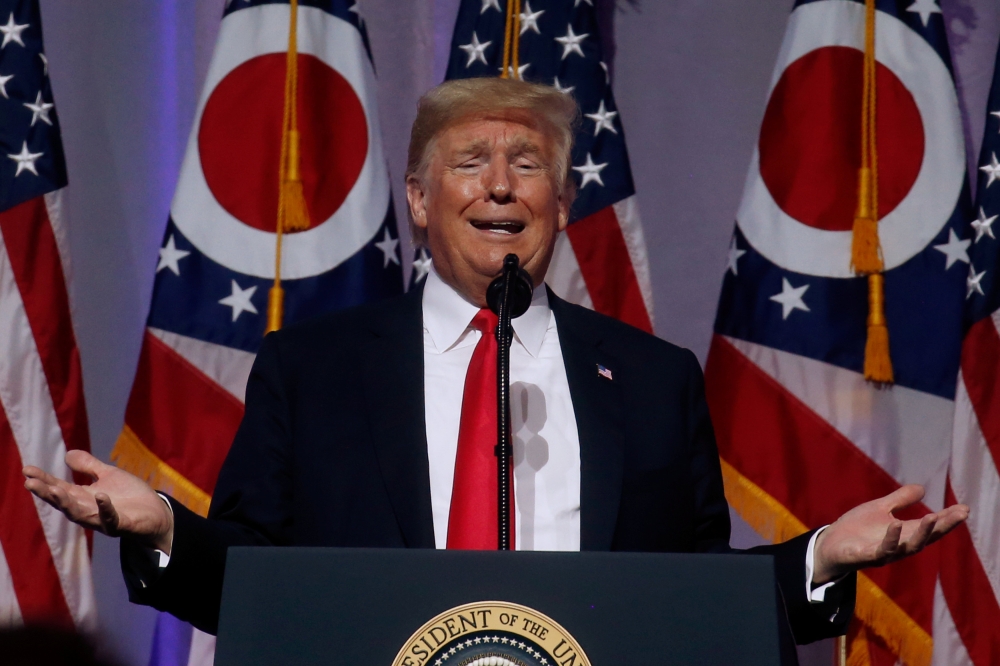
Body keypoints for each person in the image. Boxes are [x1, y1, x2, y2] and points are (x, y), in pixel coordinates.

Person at [24, 78, 968, 643]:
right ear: (420, 199)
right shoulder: (313, 370)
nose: (503, 185)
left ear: (559, 204)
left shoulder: (649, 378)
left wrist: (819, 558)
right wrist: (162, 530)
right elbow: (259, 583)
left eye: (529, 165)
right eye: (471, 160)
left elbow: (688, 597)